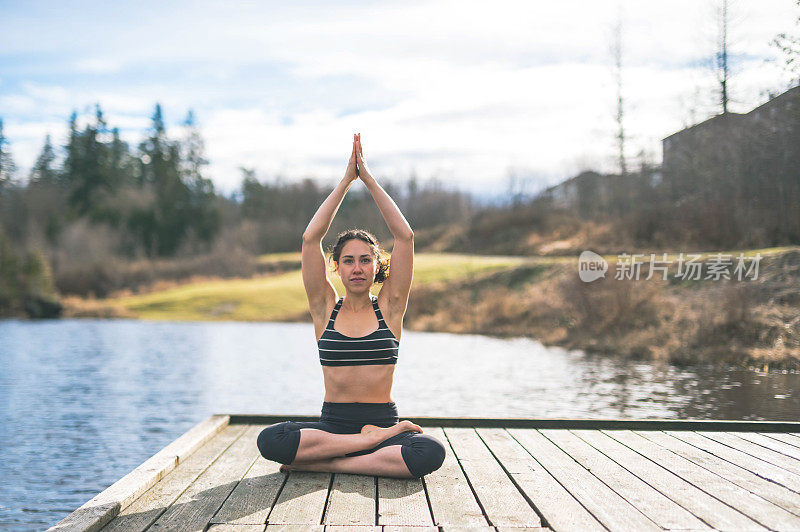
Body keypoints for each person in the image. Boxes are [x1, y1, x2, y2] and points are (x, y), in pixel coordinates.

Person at [256, 133, 446, 478]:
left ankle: (330, 464)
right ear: (337, 267)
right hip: (334, 428)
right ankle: (364, 450)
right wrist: (346, 181)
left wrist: (368, 179)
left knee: (428, 451)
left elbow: (405, 236)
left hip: (382, 423)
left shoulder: (389, 308)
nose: (356, 268)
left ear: (377, 266)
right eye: (348, 261)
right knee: (271, 440)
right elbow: (310, 238)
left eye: (364, 260)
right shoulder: (324, 309)